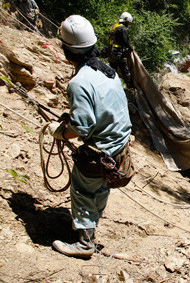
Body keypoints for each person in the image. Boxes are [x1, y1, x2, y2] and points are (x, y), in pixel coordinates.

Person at [48, 15, 132, 258]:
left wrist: (62, 132)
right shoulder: (109, 72)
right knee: (101, 188)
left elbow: (83, 128)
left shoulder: (79, 82)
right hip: (119, 148)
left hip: (100, 151)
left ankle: (85, 244)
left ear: (67, 52)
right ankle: (91, 224)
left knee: (83, 190)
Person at [108, 12, 134, 88]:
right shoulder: (123, 29)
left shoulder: (114, 26)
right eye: (128, 22)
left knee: (113, 69)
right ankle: (130, 87)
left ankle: (111, 85)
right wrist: (130, 47)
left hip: (110, 52)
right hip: (118, 52)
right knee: (124, 70)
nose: (128, 24)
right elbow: (125, 41)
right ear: (126, 21)